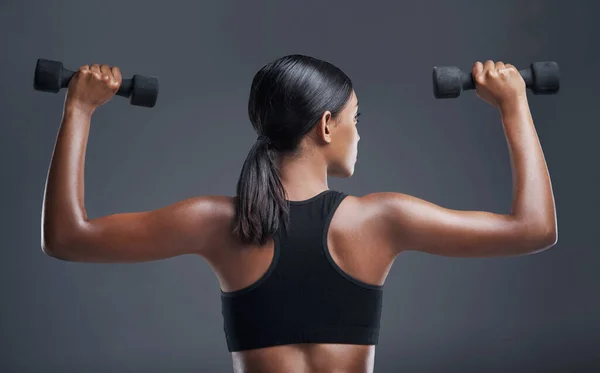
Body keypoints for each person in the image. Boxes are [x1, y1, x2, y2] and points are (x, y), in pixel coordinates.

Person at [41, 55, 557, 373]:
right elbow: (534, 230)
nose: (361, 134)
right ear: (327, 126)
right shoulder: (381, 220)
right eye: (358, 119)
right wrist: (514, 104)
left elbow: (66, 237)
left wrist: (79, 109)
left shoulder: (215, 222)